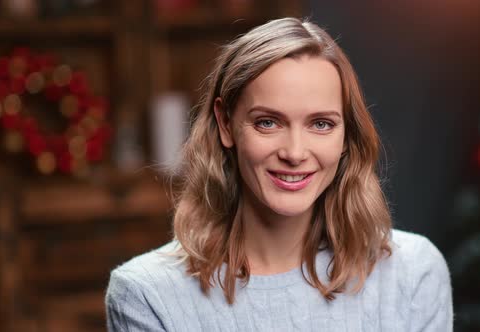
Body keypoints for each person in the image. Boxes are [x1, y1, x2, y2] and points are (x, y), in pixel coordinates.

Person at [105, 17, 453, 331]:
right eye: (267, 122)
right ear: (226, 124)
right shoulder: (146, 294)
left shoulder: (412, 273)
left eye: (321, 124)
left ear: (346, 135)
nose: (295, 152)